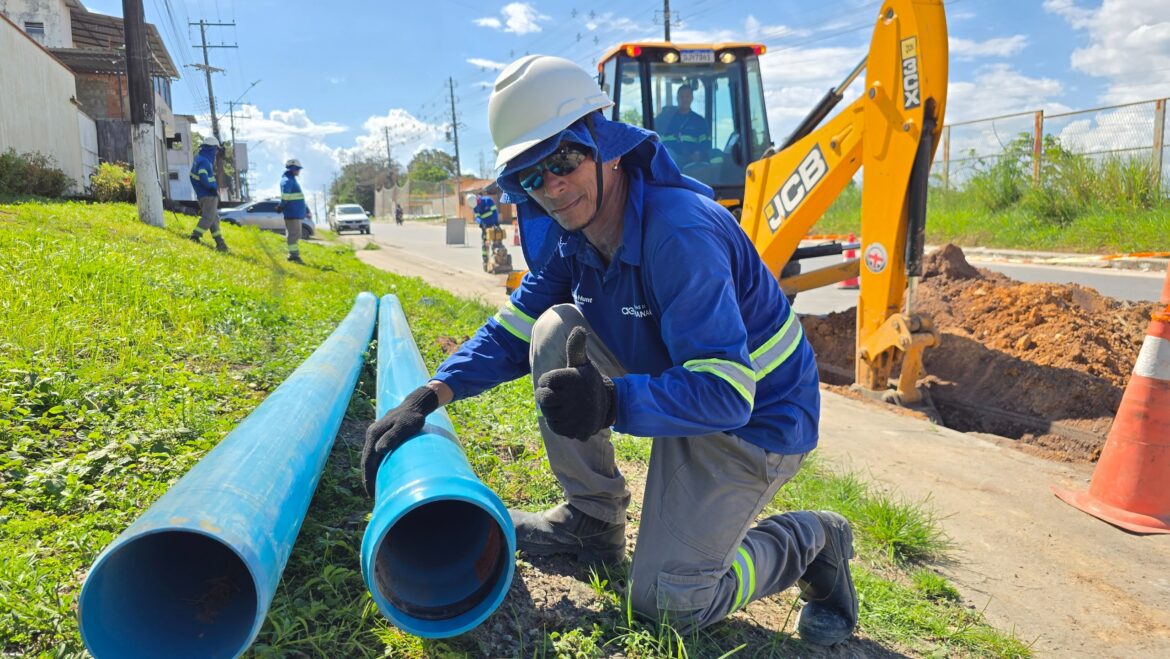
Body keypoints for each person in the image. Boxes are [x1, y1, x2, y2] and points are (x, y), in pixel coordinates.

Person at [361, 55, 857, 645]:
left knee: (670, 604)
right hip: (684, 384)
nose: (553, 186)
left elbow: (728, 392)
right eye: (532, 176)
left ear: (608, 147)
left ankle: (813, 540)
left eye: (564, 160)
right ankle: (592, 519)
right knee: (552, 328)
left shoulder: (681, 233)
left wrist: (613, 402)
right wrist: (428, 395)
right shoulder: (574, 238)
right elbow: (512, 330)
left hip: (753, 420)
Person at [188, 136, 228, 252]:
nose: (216, 153)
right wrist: (211, 188)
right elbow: (203, 176)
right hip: (209, 195)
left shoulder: (199, 158)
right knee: (209, 217)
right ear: (212, 149)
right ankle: (195, 236)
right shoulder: (205, 162)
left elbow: (193, 176)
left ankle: (220, 243)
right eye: (216, 150)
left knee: (214, 219)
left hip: (202, 195)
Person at [656, 84, 710, 166]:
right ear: (677, 98)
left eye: (687, 96)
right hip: (669, 158)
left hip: (691, 161)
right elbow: (651, 133)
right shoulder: (664, 119)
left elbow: (705, 142)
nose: (684, 99)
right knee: (668, 154)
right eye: (682, 97)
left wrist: (699, 153)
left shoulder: (699, 121)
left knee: (716, 155)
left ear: (692, 98)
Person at [276, 159, 306, 264]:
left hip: (295, 212)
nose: (299, 171)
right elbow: (285, 196)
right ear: (293, 169)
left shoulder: (291, 179)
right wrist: (281, 206)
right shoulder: (288, 181)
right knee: (294, 234)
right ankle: (293, 255)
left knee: (296, 234)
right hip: (292, 212)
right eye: (298, 169)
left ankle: (294, 254)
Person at [468, 192, 501, 267]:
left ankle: (497, 257)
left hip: (494, 224)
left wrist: (496, 223)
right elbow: (477, 217)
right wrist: (480, 223)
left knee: (497, 241)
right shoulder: (475, 207)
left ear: (477, 199)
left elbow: (495, 212)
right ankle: (485, 259)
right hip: (485, 226)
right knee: (485, 243)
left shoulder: (487, 200)